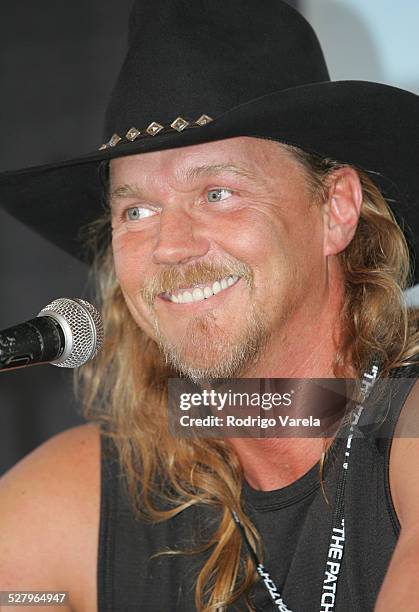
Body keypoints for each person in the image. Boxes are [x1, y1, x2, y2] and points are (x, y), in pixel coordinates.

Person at [1, 1, 419, 610]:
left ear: (335, 210)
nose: (169, 247)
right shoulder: (93, 488)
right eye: (136, 211)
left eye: (217, 193)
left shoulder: (405, 429)